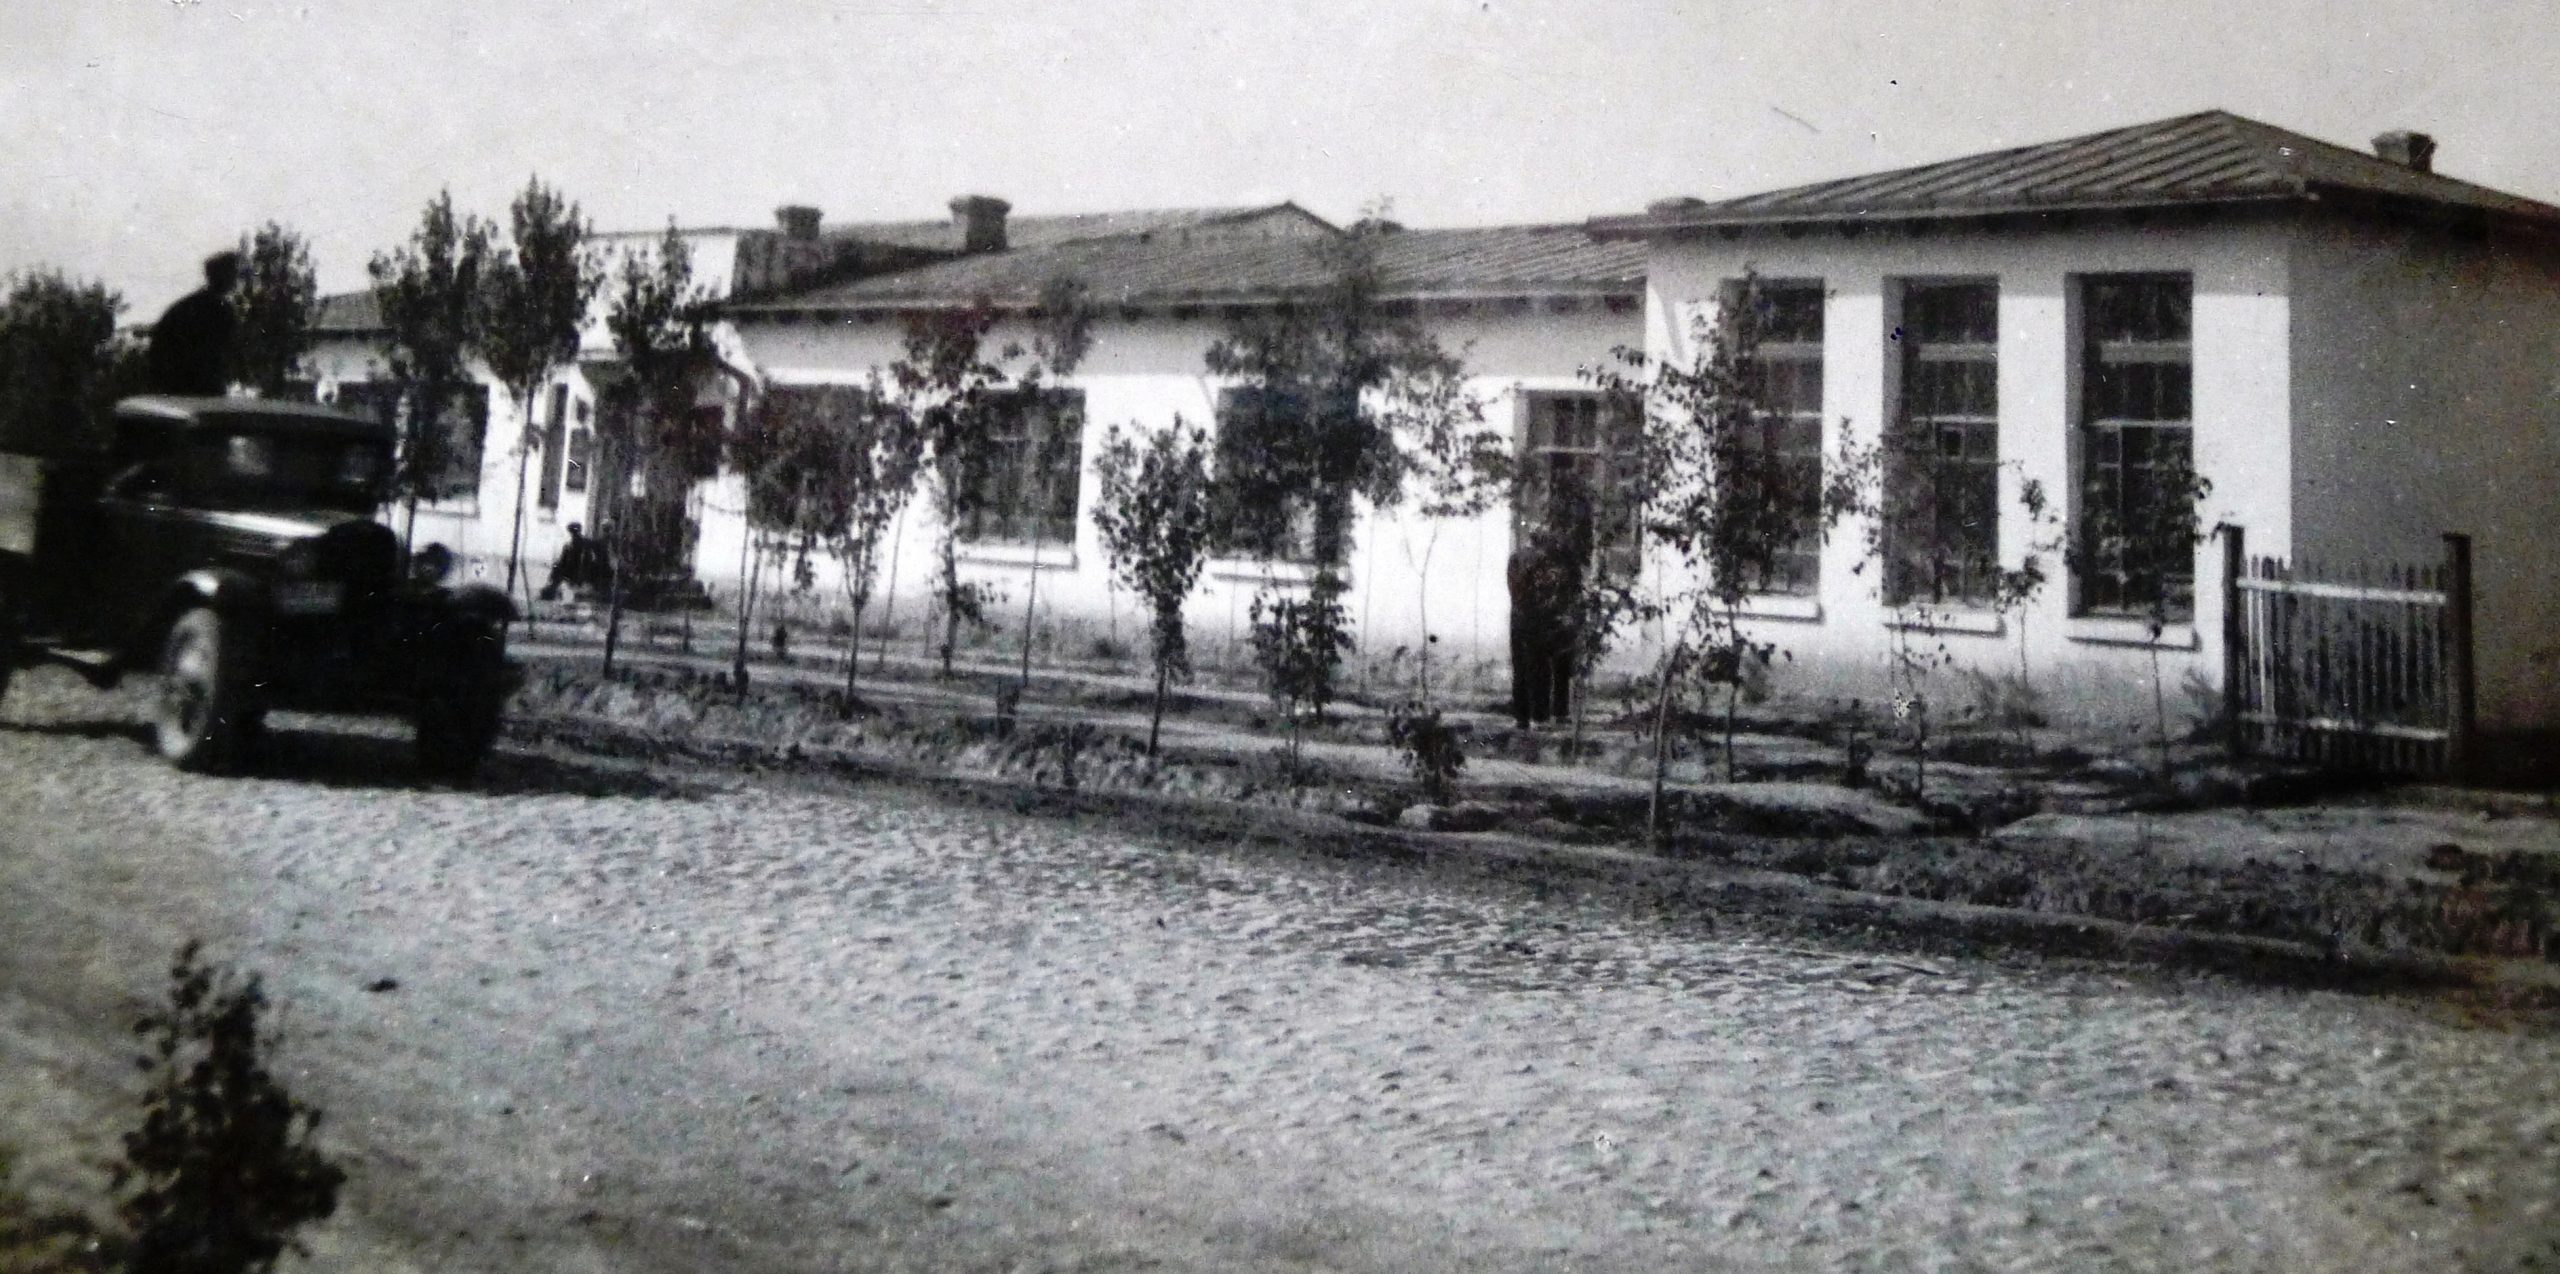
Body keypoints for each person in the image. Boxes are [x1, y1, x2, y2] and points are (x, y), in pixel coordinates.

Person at [146, 251, 241, 397]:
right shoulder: (221, 310)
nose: (236, 279)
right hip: (202, 386)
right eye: (233, 273)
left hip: (176, 387)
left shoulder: (183, 306)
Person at [540, 522, 609, 601]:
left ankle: (551, 588)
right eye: (573, 532)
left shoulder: (587, 543)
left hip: (583, 570)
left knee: (558, 568)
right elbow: (563, 560)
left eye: (575, 532)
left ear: (579, 531)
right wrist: (557, 567)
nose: (574, 534)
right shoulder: (568, 545)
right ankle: (551, 589)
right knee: (557, 567)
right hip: (572, 571)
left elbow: (599, 553)